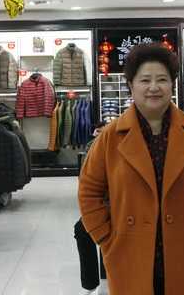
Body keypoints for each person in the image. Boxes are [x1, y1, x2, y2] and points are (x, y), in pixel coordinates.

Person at [78, 43, 184, 295]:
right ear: (131, 85)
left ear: (172, 84)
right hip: (129, 250)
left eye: (162, 79)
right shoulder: (110, 137)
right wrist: (105, 237)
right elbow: (89, 190)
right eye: (144, 80)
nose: (153, 87)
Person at [74, 121, 107, 295]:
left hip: (124, 202)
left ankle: (103, 278)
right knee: (83, 229)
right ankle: (91, 282)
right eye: (98, 132)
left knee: (103, 230)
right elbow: (87, 182)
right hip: (104, 201)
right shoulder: (91, 148)